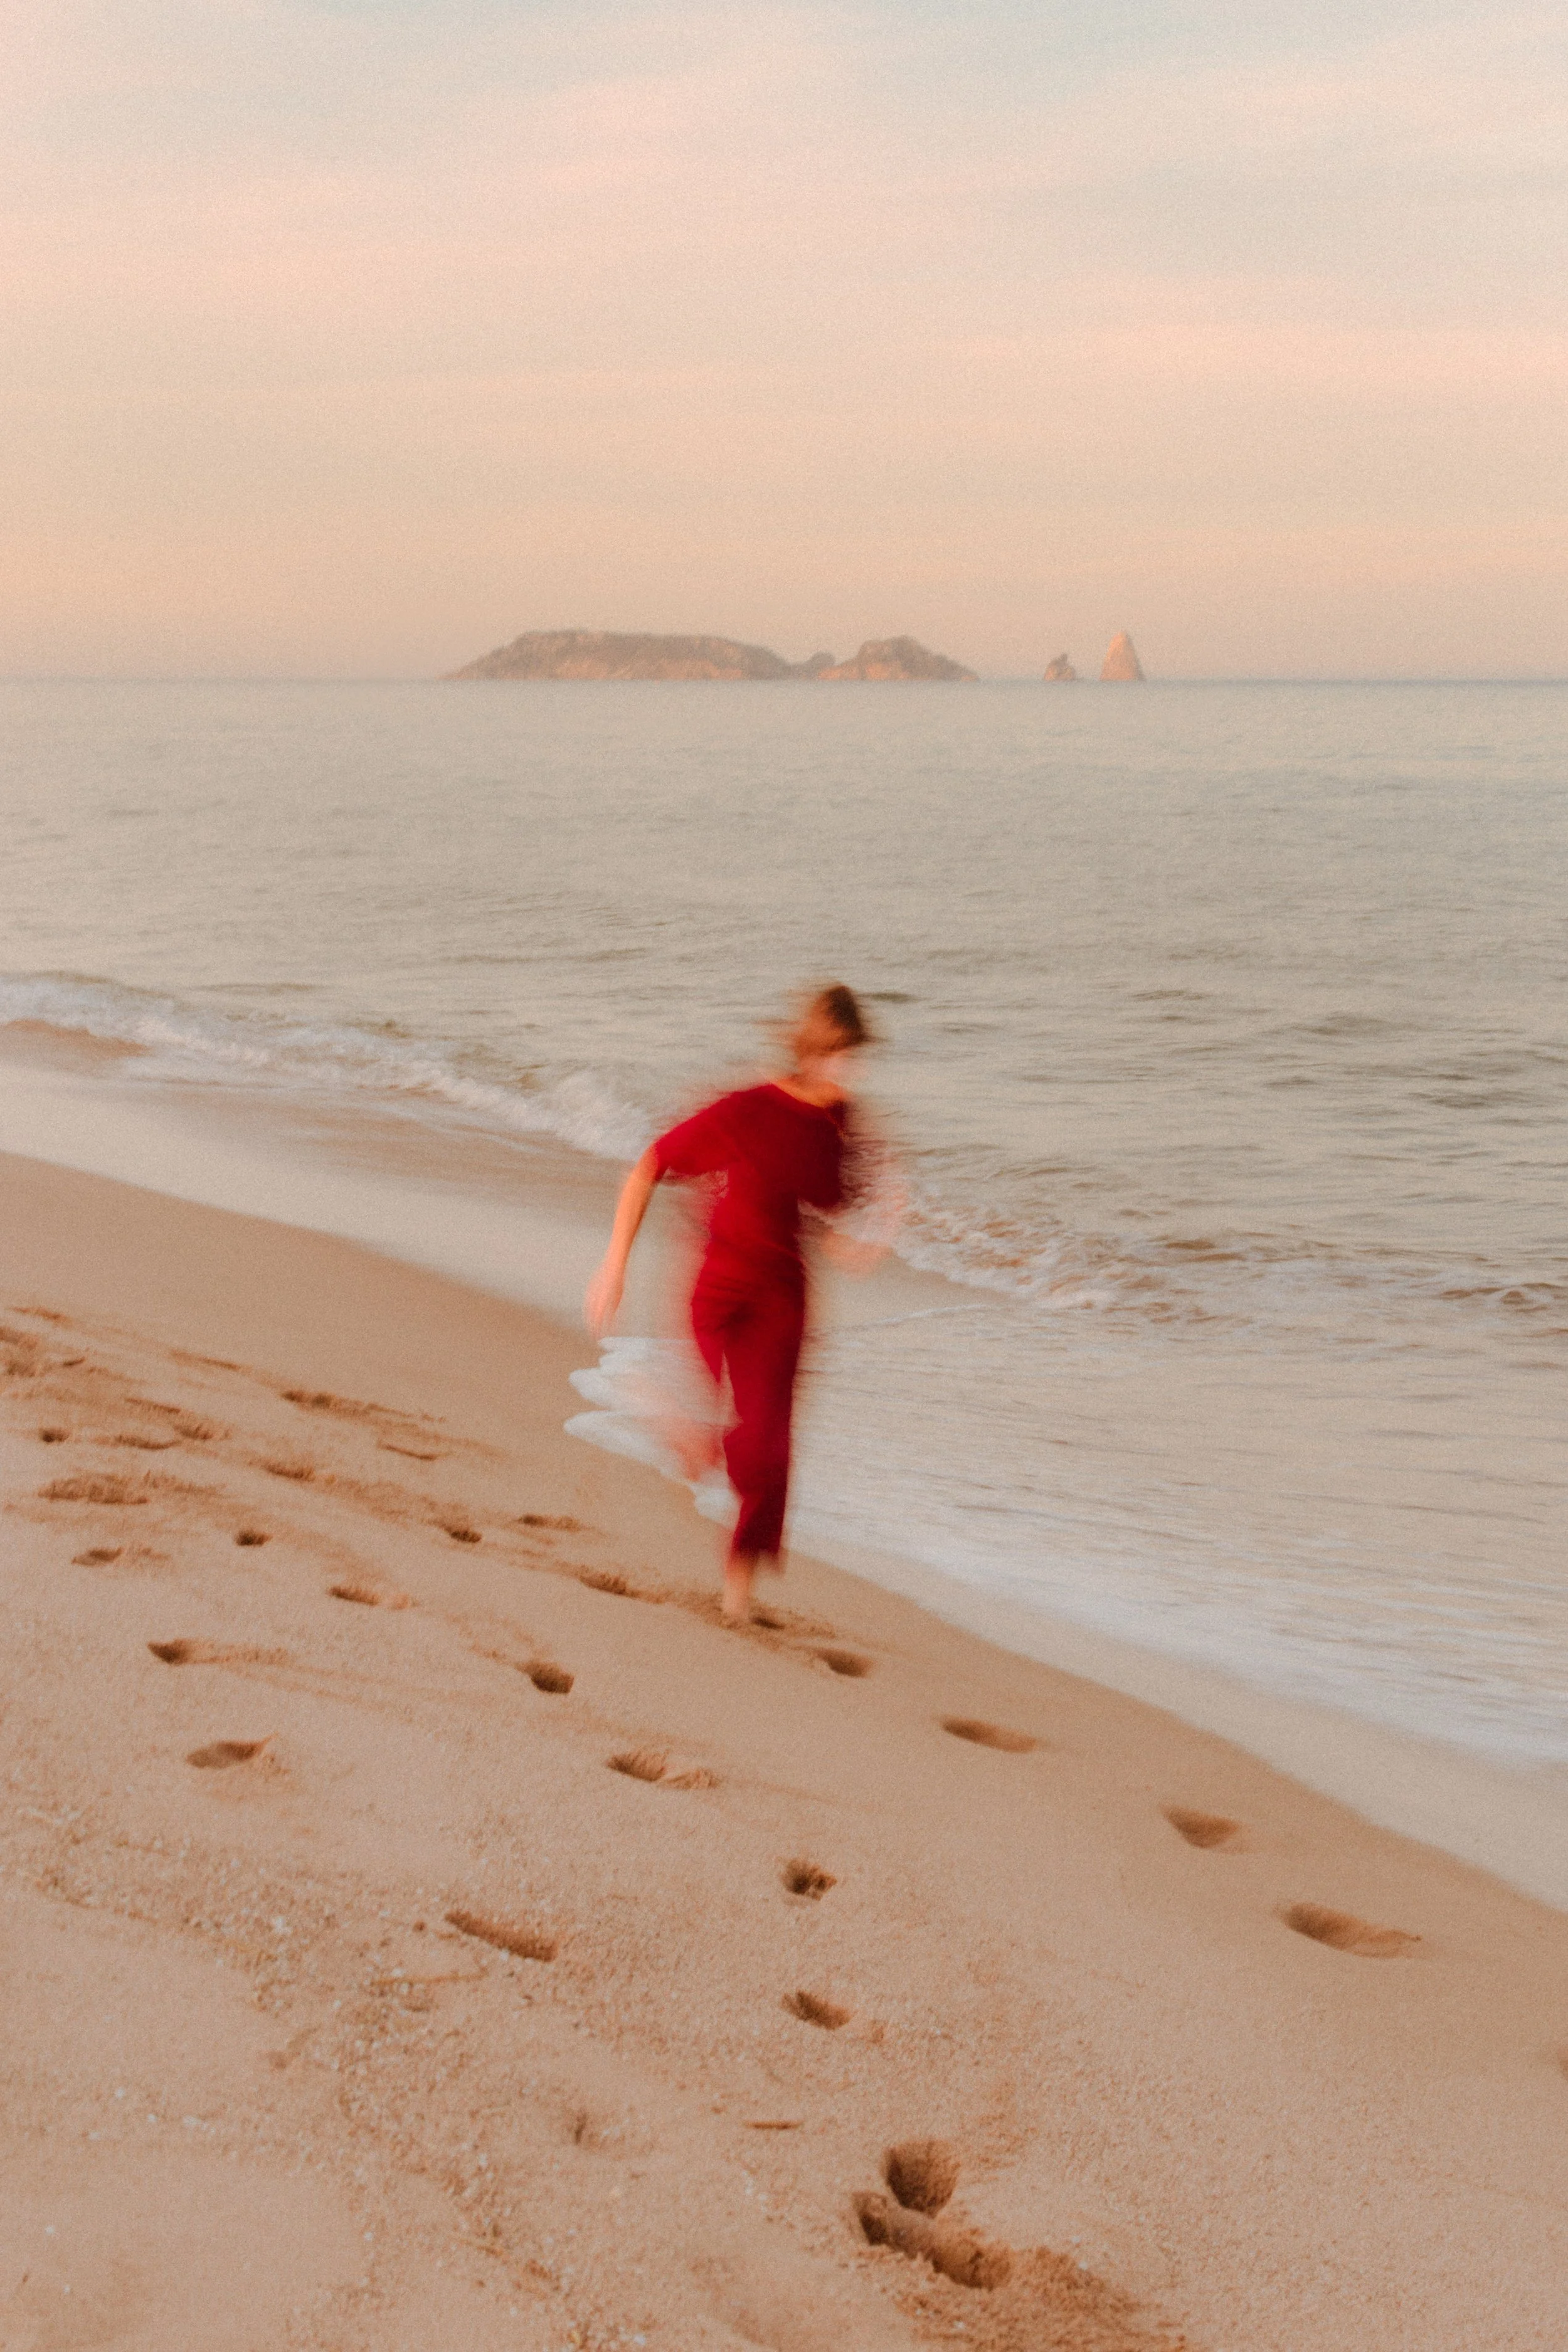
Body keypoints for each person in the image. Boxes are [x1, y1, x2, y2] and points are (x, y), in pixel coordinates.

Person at [585, 984, 883, 1623]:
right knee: (721, 1446)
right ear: (812, 1051)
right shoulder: (748, 1109)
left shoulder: (840, 1124)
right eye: (839, 1058)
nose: (849, 1073)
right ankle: (668, 1419)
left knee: (769, 1454)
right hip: (721, 1289)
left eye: (856, 1059)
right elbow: (651, 1165)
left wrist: (862, 1244)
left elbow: (826, 1217)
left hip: (783, 1297)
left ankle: (736, 1598)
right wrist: (614, 1266)